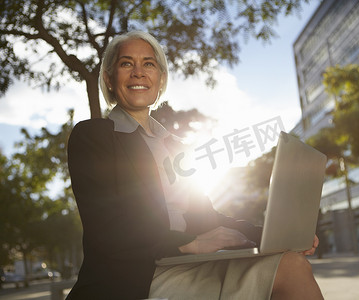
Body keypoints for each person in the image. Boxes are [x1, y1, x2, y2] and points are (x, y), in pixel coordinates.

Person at [66, 31, 324, 300]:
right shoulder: (94, 136)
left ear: (161, 79)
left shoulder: (176, 146)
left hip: (189, 262)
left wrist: (272, 236)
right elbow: (107, 226)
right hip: (134, 275)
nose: (139, 73)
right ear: (108, 78)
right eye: (126, 63)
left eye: (149, 64)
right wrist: (190, 243)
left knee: (292, 264)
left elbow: (209, 218)